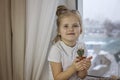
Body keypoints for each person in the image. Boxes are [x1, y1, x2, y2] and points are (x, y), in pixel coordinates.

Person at [48, 5, 92, 80]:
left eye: (75, 25)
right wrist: (73, 68)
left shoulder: (82, 47)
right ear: (59, 31)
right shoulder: (56, 50)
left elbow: (82, 76)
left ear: (80, 30)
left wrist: (84, 68)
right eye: (66, 26)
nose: (71, 29)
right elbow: (57, 78)